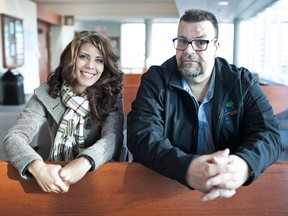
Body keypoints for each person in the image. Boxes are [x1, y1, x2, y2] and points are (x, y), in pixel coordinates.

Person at [127, 9, 283, 201]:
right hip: (166, 189)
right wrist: (188, 167)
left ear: (216, 47)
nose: (188, 50)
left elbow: (269, 133)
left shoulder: (241, 81)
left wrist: (244, 165)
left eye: (201, 42)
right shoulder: (156, 80)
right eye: (182, 41)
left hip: (232, 193)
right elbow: (142, 136)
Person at [3, 31, 124, 193]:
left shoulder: (111, 94)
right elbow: (14, 137)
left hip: (100, 175)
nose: (90, 65)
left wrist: (86, 160)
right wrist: (36, 167)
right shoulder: (47, 92)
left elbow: (112, 137)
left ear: (105, 66)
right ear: (71, 59)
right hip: (56, 175)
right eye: (83, 57)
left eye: (99, 60)